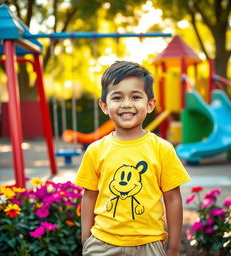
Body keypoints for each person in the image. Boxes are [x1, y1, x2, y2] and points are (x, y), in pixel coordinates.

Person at [74, 61, 191, 256]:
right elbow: (89, 196)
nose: (126, 104)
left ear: (150, 104)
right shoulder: (95, 150)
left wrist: (174, 247)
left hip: (149, 245)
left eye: (135, 97)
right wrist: (86, 238)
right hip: (102, 243)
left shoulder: (162, 149)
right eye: (117, 97)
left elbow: (172, 199)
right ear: (104, 106)